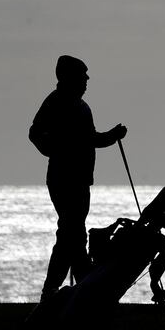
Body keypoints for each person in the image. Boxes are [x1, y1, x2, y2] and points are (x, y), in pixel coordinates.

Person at [29, 55, 127, 303]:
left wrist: (112, 136)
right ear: (69, 77)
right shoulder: (55, 102)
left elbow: (91, 138)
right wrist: (56, 148)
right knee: (73, 233)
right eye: (82, 75)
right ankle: (79, 284)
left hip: (81, 180)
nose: (87, 80)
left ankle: (61, 289)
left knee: (69, 234)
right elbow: (35, 133)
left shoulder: (82, 107)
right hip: (63, 179)